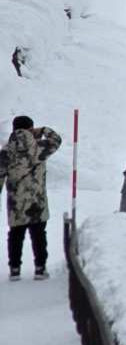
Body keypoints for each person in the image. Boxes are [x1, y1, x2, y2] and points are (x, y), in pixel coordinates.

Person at [0, 116, 62, 280]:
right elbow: (56, 139)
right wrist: (42, 131)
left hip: (16, 203)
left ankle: (14, 270)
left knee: (15, 235)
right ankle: (40, 269)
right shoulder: (39, 148)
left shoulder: (6, 151)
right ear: (30, 129)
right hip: (37, 202)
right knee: (39, 235)